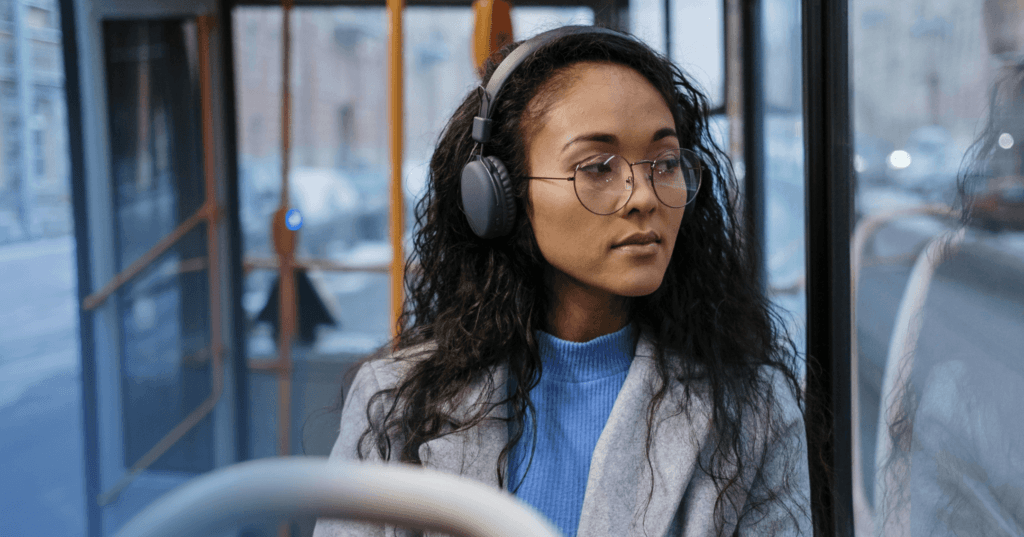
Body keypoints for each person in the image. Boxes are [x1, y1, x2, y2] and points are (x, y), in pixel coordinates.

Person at [313, 25, 811, 537]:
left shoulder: (753, 408)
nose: (644, 197)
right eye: (597, 167)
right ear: (498, 198)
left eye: (664, 163)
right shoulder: (398, 400)